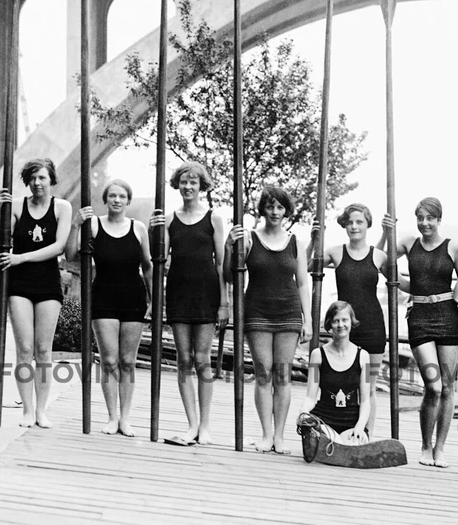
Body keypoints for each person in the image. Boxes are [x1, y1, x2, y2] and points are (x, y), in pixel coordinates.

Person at [380, 197, 458, 468]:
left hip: (448, 317)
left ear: (439, 219)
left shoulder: (453, 247)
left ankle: (440, 449)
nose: (425, 223)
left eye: (430, 218)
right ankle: (425, 445)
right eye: (420, 218)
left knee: (448, 387)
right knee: (433, 385)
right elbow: (380, 261)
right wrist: (385, 234)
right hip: (420, 318)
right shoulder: (409, 243)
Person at [226, 186, 311, 454]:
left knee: (283, 376)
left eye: (280, 207)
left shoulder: (295, 241)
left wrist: (307, 318)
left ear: (287, 211)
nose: (275, 212)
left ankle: (280, 436)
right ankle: (265, 434)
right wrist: (230, 247)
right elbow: (230, 276)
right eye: (270, 206)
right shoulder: (249, 239)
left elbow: (302, 282)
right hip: (258, 312)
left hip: (288, 313)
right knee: (263, 373)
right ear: (263, 209)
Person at [149, 161, 228, 446]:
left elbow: (221, 265)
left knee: (203, 360)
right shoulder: (170, 219)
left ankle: (205, 425)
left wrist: (224, 302)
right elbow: (158, 258)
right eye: (183, 181)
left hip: (207, 294)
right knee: (183, 359)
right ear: (177, 185)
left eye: (193, 182)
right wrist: (152, 231)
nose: (188, 186)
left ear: (201, 186)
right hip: (179, 293)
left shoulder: (213, 219)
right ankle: (191, 424)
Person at [66, 178, 152, 436]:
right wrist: (75, 225)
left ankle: (125, 417)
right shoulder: (93, 225)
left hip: (133, 298)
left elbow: (147, 266)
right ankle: (112, 417)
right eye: (112, 196)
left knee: (128, 360)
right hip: (103, 297)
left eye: (121, 196)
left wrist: (155, 299)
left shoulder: (138, 228)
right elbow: (71, 255)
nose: (116, 200)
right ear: (105, 200)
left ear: (128, 201)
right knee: (109, 360)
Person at [0, 158, 72, 429]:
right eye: (33, 178)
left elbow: (60, 247)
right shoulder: (18, 206)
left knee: (43, 349)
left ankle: (42, 410)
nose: (38, 183)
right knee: (24, 348)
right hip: (19, 285)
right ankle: (27, 410)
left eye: (42, 178)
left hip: (47, 283)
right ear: (27, 181)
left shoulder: (62, 207)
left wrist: (21, 257)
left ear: (52, 179)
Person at [312, 203, 389, 435]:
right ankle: (341, 429)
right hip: (344, 328)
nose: (354, 226)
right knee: (344, 385)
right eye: (350, 222)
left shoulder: (379, 255)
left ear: (368, 225)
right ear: (345, 225)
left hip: (373, 327)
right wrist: (315, 239)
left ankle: (367, 435)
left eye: (360, 222)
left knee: (370, 388)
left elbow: (401, 282)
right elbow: (307, 266)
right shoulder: (336, 252)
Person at [298, 300, 371, 445]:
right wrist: (303, 413)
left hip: (351, 421)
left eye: (345, 320)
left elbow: (365, 401)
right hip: (323, 419)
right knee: (328, 442)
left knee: (350, 444)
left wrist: (360, 427)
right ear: (329, 325)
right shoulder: (317, 355)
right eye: (336, 321)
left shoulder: (364, 356)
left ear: (352, 322)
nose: (340, 325)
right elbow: (310, 398)